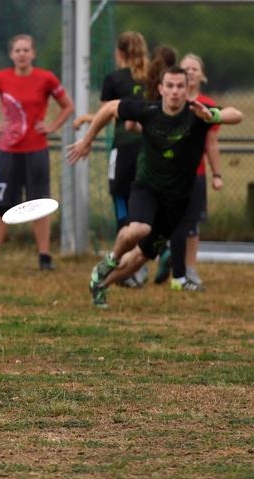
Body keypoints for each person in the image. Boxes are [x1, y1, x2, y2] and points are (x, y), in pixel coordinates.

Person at [67, 66, 242, 307]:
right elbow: (108, 108)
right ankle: (111, 258)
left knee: (141, 257)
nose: (175, 91)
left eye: (180, 86)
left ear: (187, 89)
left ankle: (100, 285)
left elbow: (236, 114)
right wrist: (86, 141)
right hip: (146, 188)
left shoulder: (198, 114)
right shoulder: (148, 110)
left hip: (177, 200)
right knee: (139, 229)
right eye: (169, 86)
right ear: (160, 89)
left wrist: (214, 117)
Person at [0, 34, 74, 270]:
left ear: (33, 53)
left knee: (39, 204)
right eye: (17, 50)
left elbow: (68, 106)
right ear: (11, 54)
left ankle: (45, 257)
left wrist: (52, 126)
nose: (22, 54)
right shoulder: (1, 77)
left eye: (26, 50)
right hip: (8, 151)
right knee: (2, 203)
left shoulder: (46, 78)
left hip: (36, 150)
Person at [73, 31, 149, 287]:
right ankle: (145, 261)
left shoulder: (114, 79)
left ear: (120, 52)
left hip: (124, 149)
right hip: (150, 149)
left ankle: (125, 267)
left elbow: (109, 113)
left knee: (122, 204)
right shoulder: (152, 77)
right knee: (145, 204)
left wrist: (87, 122)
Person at [153, 53, 223, 291]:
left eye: (195, 68)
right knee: (161, 219)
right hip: (165, 174)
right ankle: (166, 255)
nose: (191, 72)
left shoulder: (206, 105)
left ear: (201, 75)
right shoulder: (168, 103)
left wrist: (217, 174)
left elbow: (212, 143)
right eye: (186, 68)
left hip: (195, 174)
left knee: (191, 224)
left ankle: (188, 269)